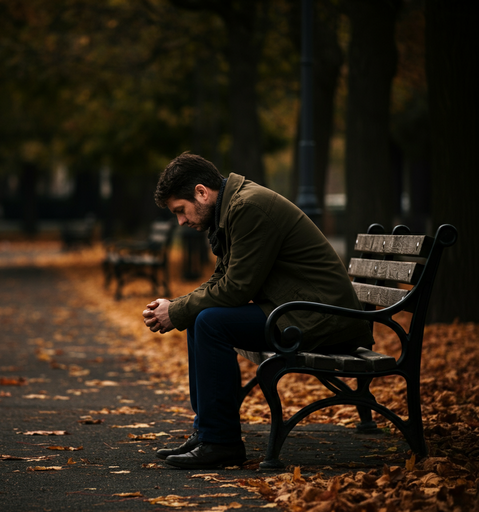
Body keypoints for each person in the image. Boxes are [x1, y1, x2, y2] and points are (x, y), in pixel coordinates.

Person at [143, 152, 373, 469]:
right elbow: (223, 280)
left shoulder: (248, 207)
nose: (181, 221)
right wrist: (179, 307)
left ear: (201, 192)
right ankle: (208, 432)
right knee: (202, 318)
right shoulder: (233, 207)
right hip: (297, 310)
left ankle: (220, 442)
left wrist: (178, 310)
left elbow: (237, 288)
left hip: (323, 318)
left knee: (209, 322)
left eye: (180, 211)